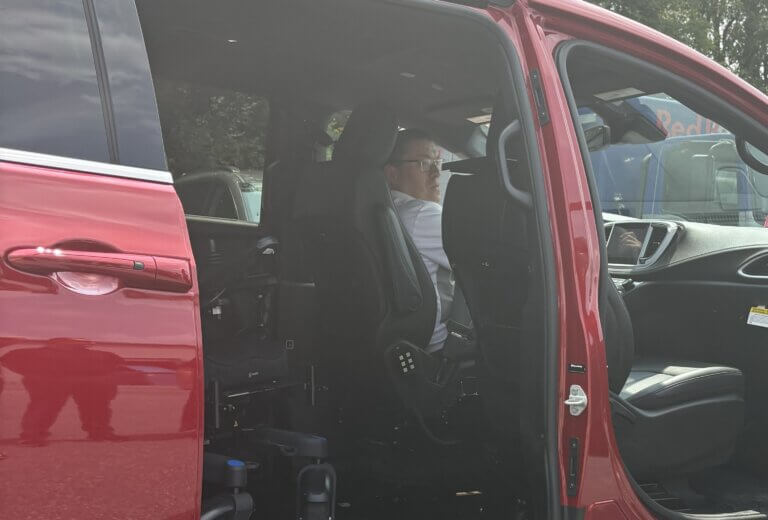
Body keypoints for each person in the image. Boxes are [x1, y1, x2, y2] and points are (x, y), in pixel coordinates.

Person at [384, 129, 453, 352]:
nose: (436, 173)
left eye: (437, 162)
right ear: (392, 174)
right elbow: (488, 258)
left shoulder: (388, 209)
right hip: (440, 351)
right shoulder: (423, 214)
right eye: (424, 163)